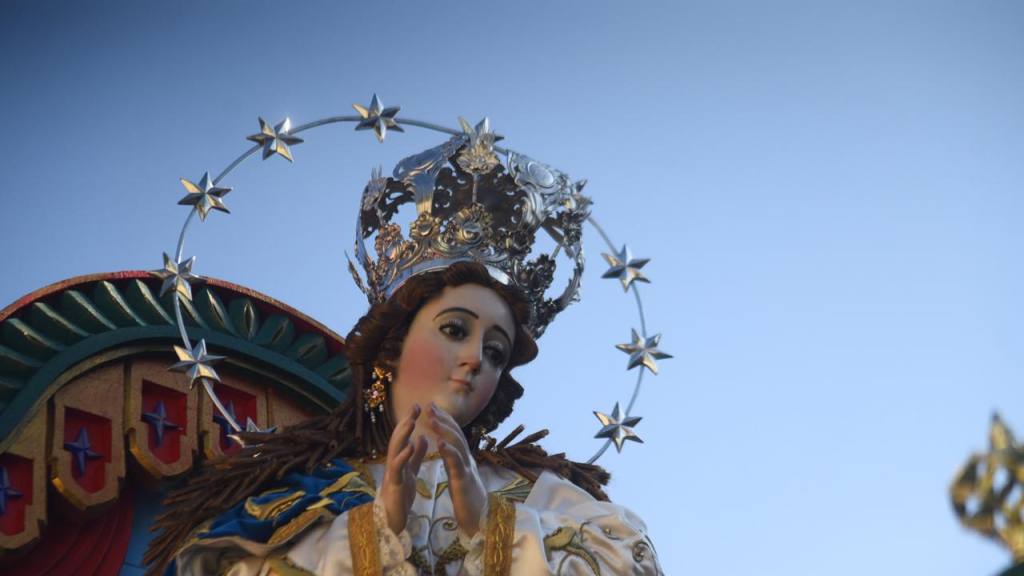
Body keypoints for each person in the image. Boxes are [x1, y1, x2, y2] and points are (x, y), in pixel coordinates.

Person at [145, 123, 663, 575]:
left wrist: (490, 524)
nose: (476, 360)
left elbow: (630, 562)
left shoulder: (545, 496)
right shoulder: (304, 496)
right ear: (390, 351)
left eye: (497, 352)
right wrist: (377, 526)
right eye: (455, 330)